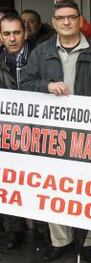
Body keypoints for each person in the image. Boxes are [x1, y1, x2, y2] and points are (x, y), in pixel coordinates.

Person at [20, 0, 91, 262]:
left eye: (71, 17)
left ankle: (89, 241)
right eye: (60, 18)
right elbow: (25, 84)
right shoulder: (40, 51)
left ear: (79, 19)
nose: (65, 22)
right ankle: (61, 240)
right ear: (53, 21)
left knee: (90, 187)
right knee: (55, 188)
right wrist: (47, 85)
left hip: (89, 135)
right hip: (52, 135)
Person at [0, 14, 32, 249]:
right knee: (9, 181)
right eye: (7, 34)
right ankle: (14, 230)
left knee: (41, 182)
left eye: (16, 32)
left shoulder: (40, 56)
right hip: (6, 134)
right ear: (0, 37)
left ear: (25, 33)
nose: (12, 38)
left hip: (39, 134)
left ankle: (43, 230)